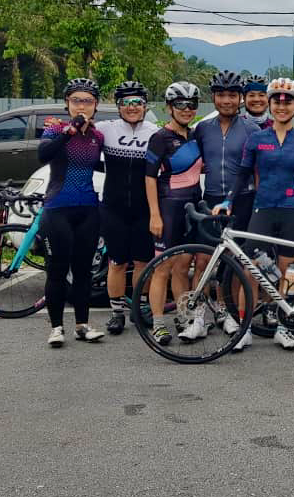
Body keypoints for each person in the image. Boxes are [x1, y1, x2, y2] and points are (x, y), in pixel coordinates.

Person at [220, 78, 294, 351]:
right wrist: (228, 200)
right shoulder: (257, 139)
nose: (282, 106)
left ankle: (283, 326)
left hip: (291, 211)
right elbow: (242, 174)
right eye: (277, 101)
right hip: (262, 208)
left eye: (288, 102)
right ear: (270, 105)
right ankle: (245, 328)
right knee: (251, 270)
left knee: (288, 272)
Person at [38, 77, 106, 347]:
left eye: (87, 101)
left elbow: (101, 166)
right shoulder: (55, 129)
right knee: (57, 270)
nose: (82, 105)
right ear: (67, 103)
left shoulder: (97, 137)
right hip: (57, 209)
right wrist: (70, 130)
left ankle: (82, 325)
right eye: (76, 100)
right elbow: (43, 155)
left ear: (95, 105)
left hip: (88, 209)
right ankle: (56, 328)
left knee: (83, 271)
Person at [95, 80, 157, 335]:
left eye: (137, 102)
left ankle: (140, 308)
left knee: (143, 262)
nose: (132, 107)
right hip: (114, 208)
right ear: (118, 106)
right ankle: (116, 313)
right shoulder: (105, 129)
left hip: (144, 209)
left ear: (145, 106)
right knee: (117, 263)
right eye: (126, 102)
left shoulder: (154, 132)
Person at [145, 82, 204, 346]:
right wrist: (154, 214)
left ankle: (183, 317)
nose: (187, 109)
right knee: (162, 268)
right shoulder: (159, 138)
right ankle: (158, 323)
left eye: (192, 105)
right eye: (180, 104)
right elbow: (149, 178)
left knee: (182, 267)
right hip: (168, 207)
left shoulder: (194, 136)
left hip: (192, 207)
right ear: (169, 107)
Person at [195, 71, 260, 233]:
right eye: (220, 95)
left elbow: (258, 170)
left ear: (240, 98)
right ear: (213, 97)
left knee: (238, 247)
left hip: (243, 198)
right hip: (211, 197)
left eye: (232, 95)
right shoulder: (202, 128)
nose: (226, 101)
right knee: (207, 248)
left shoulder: (252, 129)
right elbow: (198, 161)